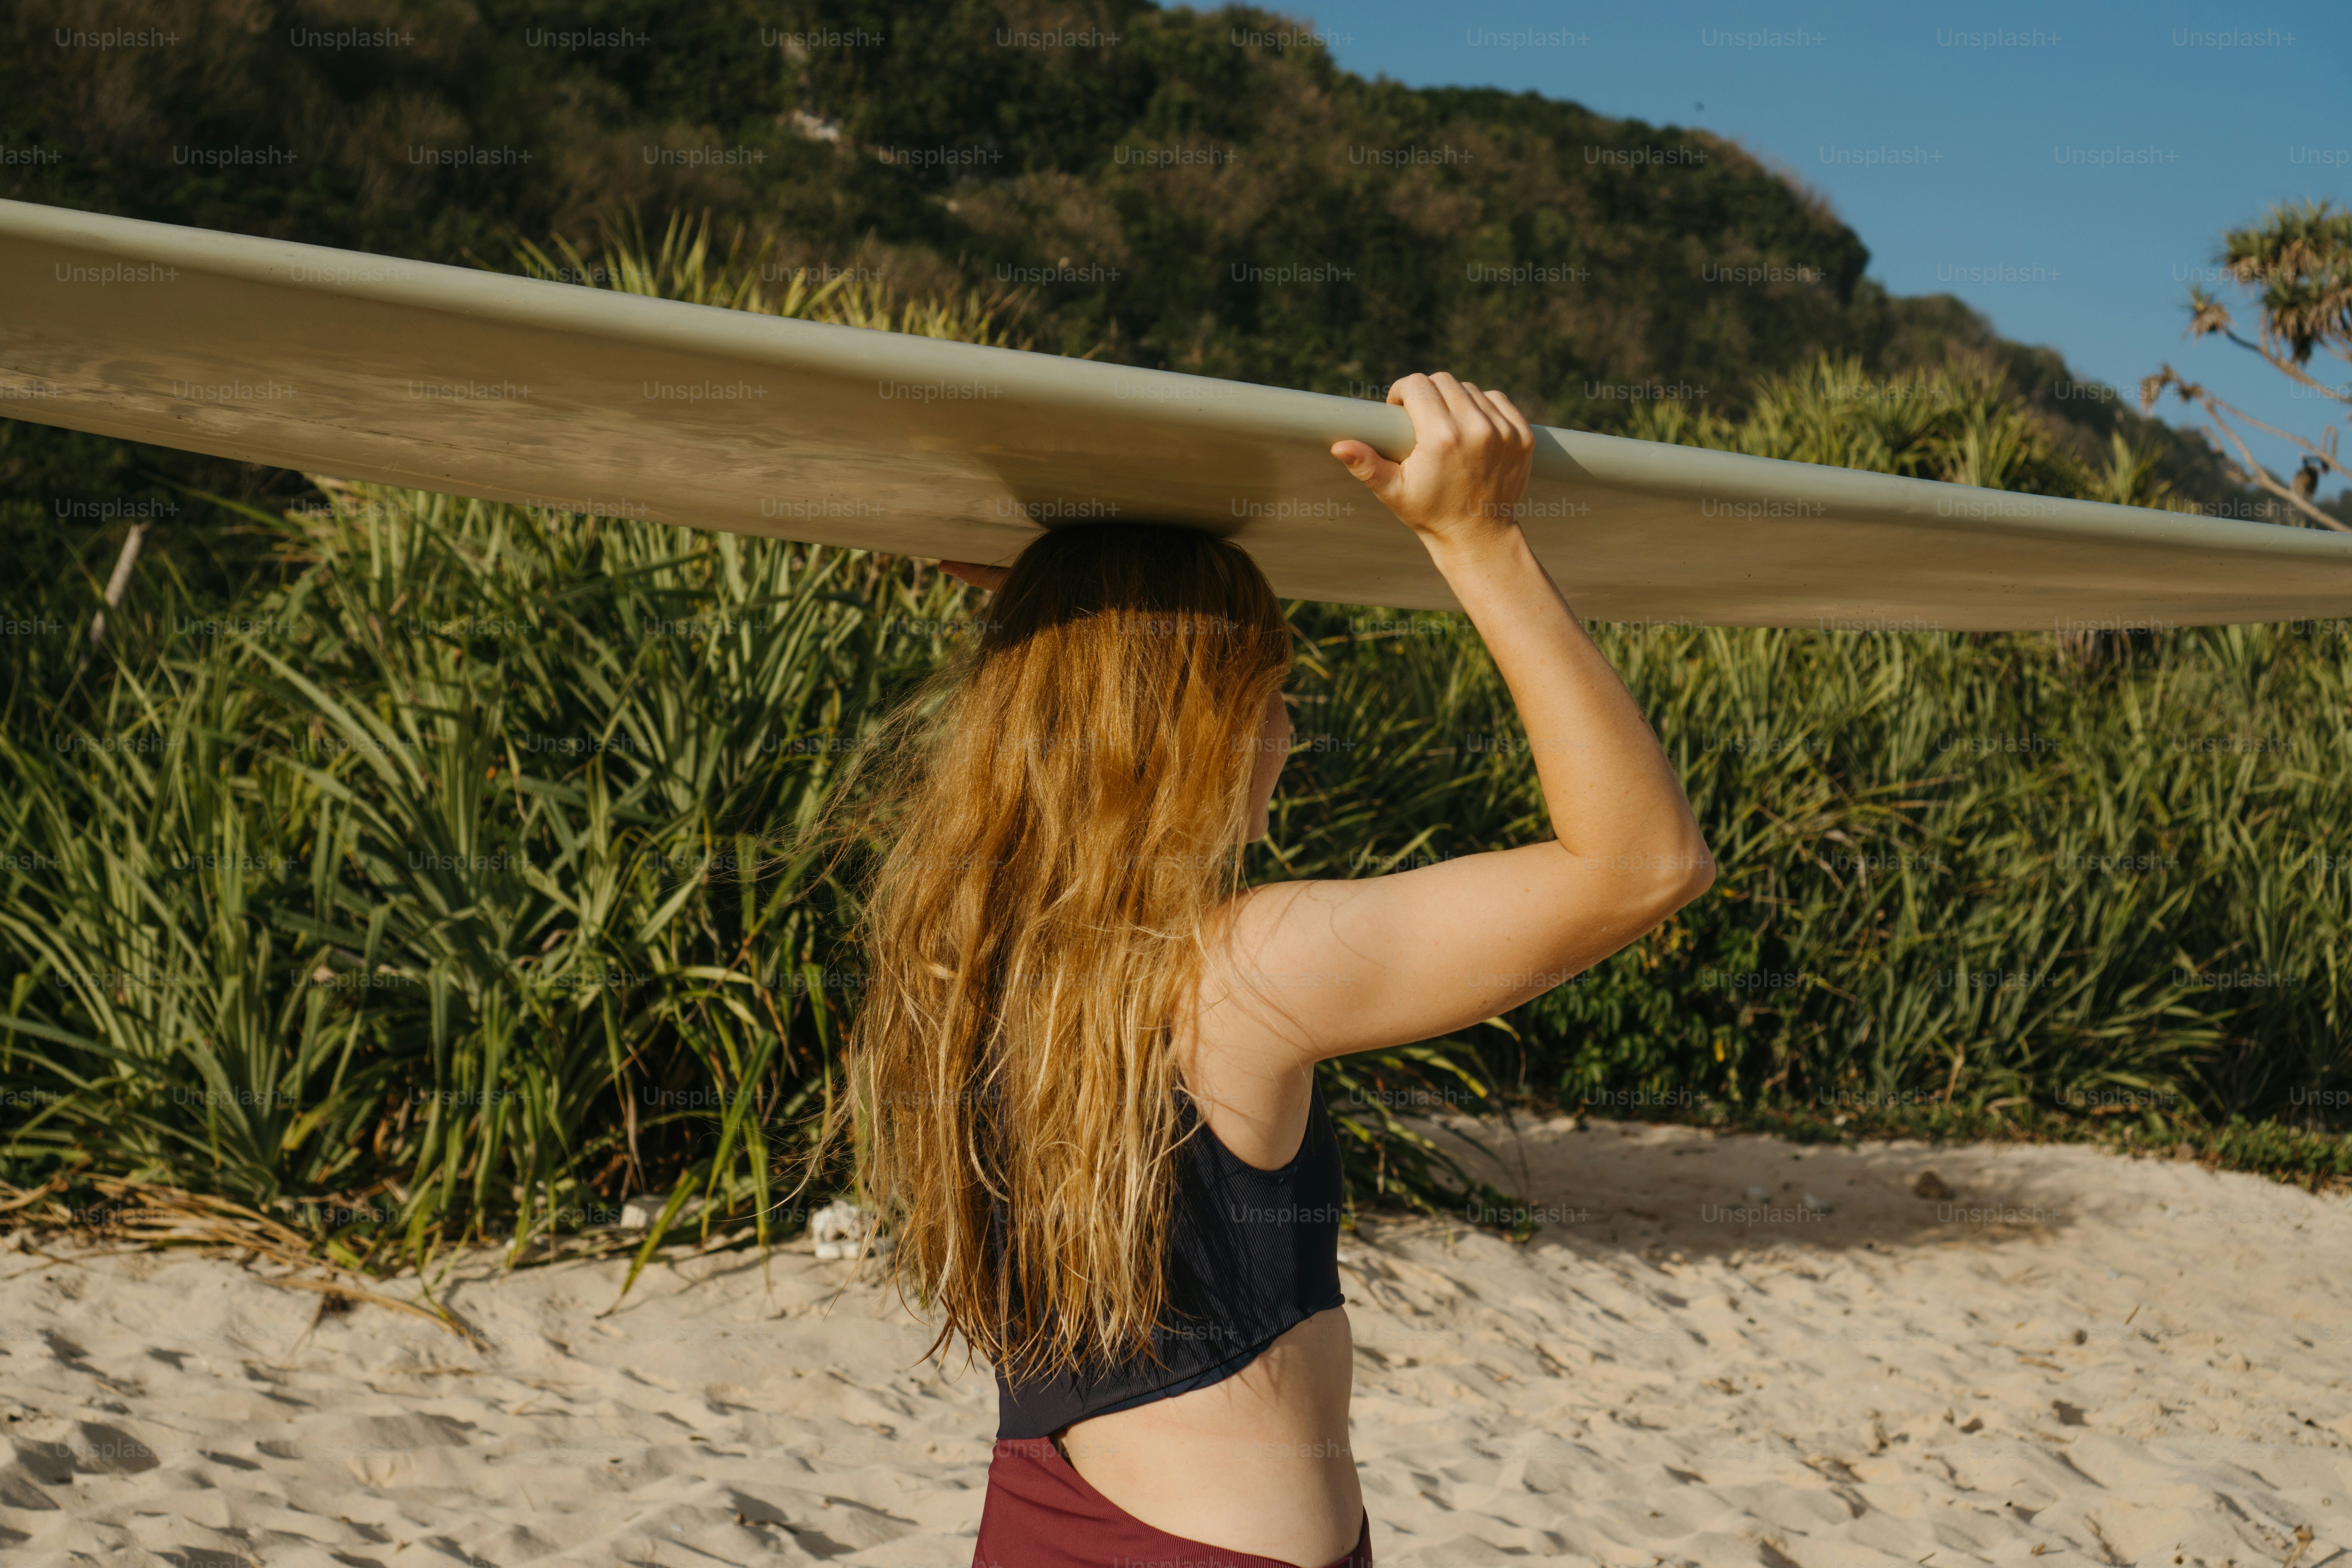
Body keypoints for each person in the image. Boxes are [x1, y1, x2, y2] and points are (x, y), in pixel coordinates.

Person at [809, 372, 1715, 1568]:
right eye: (1270, 696)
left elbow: (1058, 730)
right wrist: (1479, 543)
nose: (1286, 735)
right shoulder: (1237, 969)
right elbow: (1644, 862)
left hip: (1039, 1516)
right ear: (1188, 727)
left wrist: (1065, 624)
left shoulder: (968, 945)